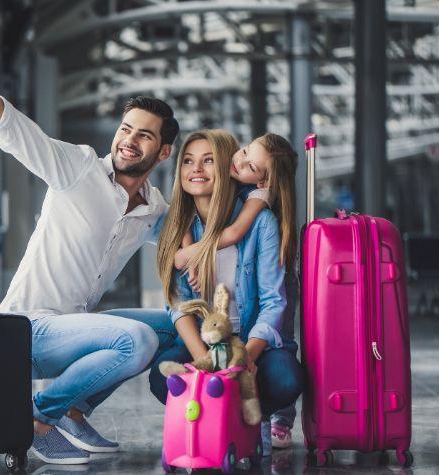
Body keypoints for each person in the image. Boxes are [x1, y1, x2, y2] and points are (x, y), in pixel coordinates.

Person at [0, 36, 181, 465]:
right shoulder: (78, 168)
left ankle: (75, 409)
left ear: (163, 152)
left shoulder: (153, 209)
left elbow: (199, 235)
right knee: (137, 341)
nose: (129, 140)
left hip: (74, 326)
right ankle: (36, 417)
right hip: (27, 330)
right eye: (125, 129)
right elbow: (16, 133)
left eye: (145, 136)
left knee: (173, 326)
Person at [105, 130, 302, 456]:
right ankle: (214, 421)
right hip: (204, 338)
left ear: (224, 166)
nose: (196, 168)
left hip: (250, 339)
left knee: (285, 379)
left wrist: (244, 361)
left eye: (208, 160)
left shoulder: (259, 219)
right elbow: (179, 304)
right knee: (161, 377)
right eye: (188, 161)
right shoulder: (178, 223)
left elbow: (273, 302)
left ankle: (256, 417)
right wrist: (205, 362)